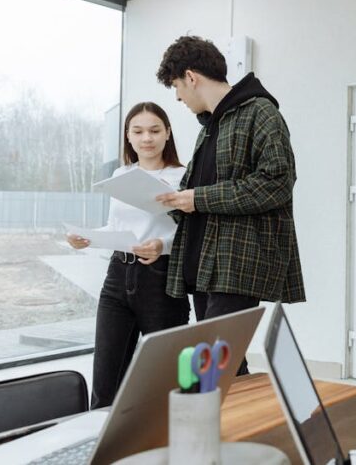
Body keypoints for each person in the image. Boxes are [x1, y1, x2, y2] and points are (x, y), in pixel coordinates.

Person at [155, 35, 304, 375]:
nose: (178, 96)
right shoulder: (210, 127)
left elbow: (277, 184)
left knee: (209, 369)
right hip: (204, 264)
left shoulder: (260, 113)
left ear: (191, 77)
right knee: (223, 366)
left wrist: (198, 198)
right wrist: (175, 200)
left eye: (177, 86)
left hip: (236, 266)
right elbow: (201, 193)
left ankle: (228, 425)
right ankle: (238, 426)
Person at [66, 102, 190, 409]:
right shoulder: (122, 174)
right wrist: (89, 237)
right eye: (138, 131)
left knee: (166, 375)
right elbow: (116, 226)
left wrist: (163, 245)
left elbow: (193, 233)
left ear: (167, 134)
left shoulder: (182, 177)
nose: (146, 138)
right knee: (106, 372)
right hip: (118, 276)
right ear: (128, 137)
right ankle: (98, 443)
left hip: (161, 279)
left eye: (154, 130)